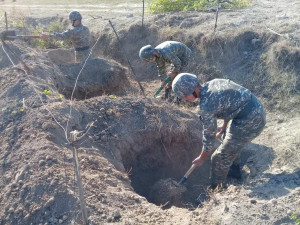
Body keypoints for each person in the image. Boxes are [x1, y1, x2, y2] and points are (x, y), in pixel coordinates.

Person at [172, 73, 266, 189]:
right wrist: (225, 125)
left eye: (185, 96)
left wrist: (202, 158)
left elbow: (209, 137)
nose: (185, 99)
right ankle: (234, 169)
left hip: (251, 121)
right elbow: (230, 103)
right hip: (254, 109)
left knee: (218, 157)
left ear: (193, 89)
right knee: (227, 139)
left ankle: (216, 188)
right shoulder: (213, 84)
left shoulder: (206, 105)